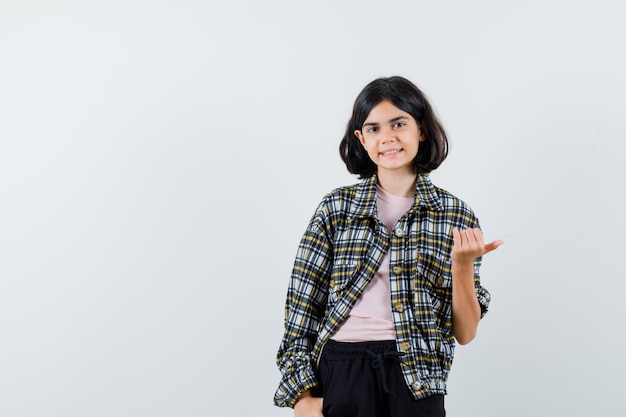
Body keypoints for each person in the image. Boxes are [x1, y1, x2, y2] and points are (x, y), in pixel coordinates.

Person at [274, 76, 503, 417]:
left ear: (421, 130)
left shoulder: (454, 214)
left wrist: (463, 265)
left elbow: (466, 333)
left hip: (417, 375)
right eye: (374, 128)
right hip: (343, 369)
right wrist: (301, 397)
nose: (387, 138)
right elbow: (301, 309)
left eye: (399, 124)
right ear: (361, 139)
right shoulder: (336, 209)